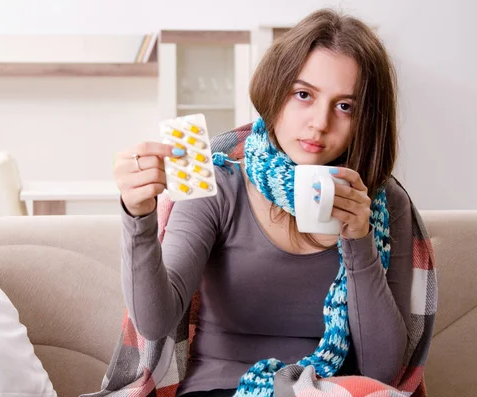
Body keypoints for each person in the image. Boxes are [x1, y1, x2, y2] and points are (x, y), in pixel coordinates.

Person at [112, 8, 413, 397]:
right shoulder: (220, 185)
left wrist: (359, 238)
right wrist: (138, 216)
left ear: (366, 121)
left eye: (345, 106)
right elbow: (155, 323)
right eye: (303, 95)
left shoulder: (384, 206)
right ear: (275, 93)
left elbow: (383, 371)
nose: (319, 123)